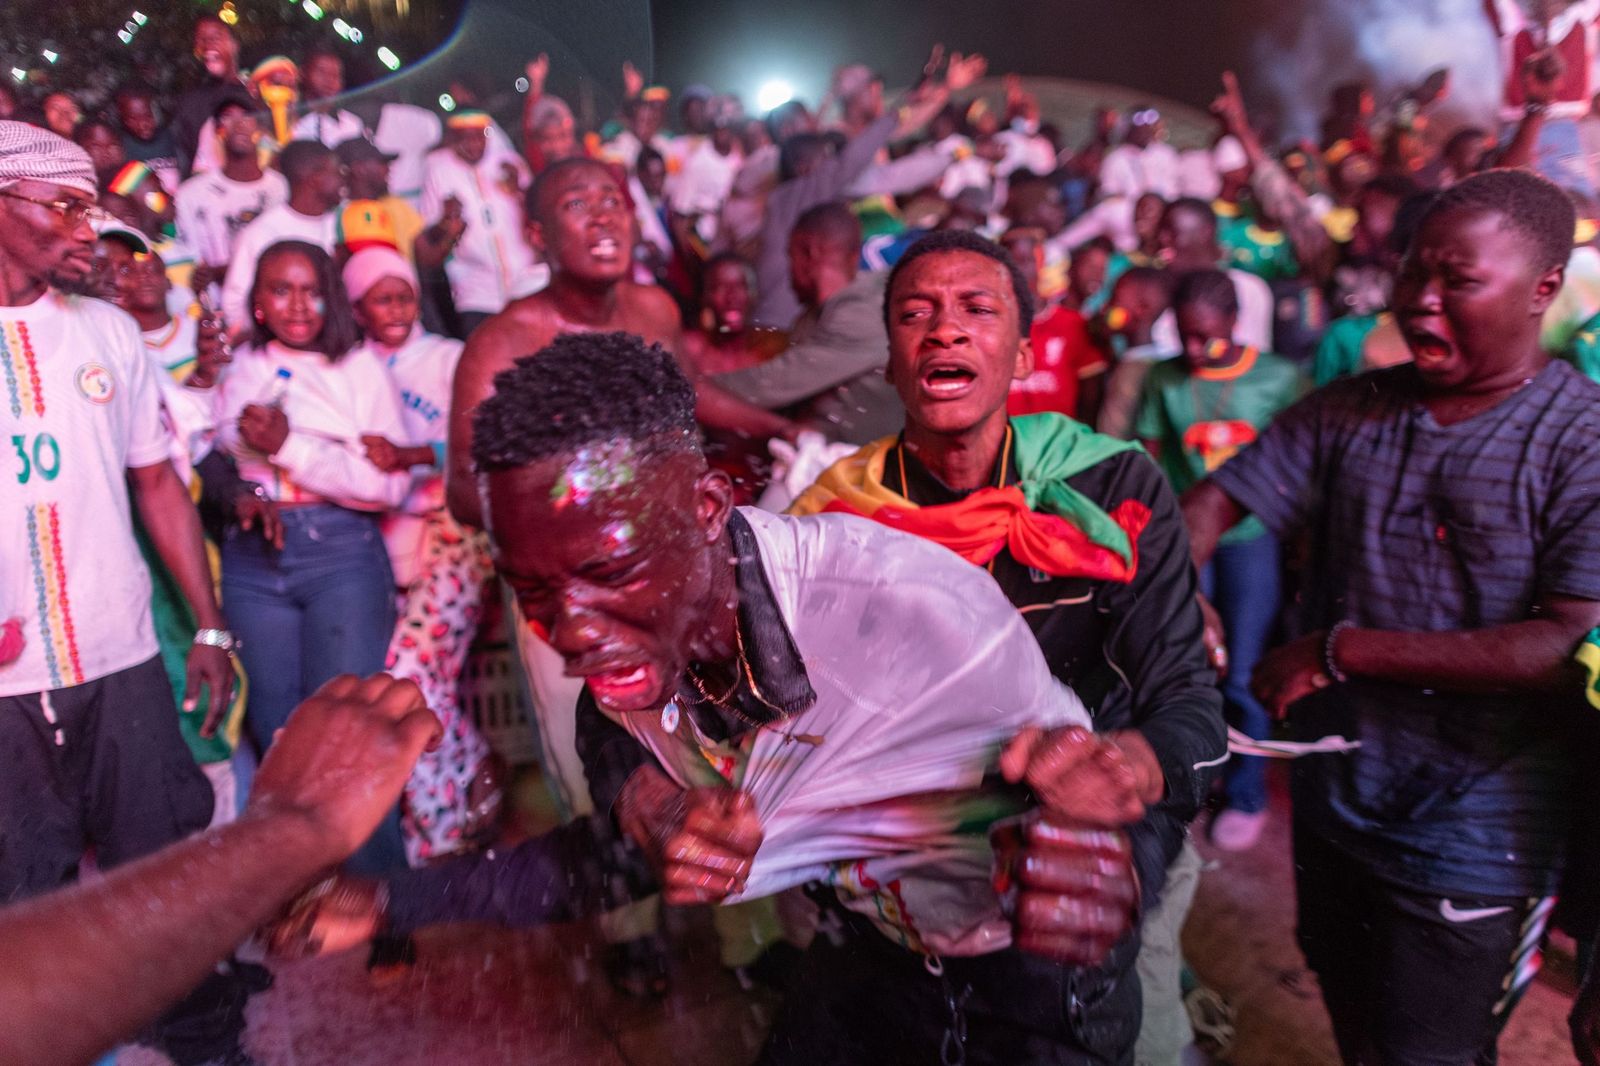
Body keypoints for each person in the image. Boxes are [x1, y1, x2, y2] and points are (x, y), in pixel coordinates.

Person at [273, 330, 1154, 1065]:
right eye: (533, 590)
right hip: (872, 954)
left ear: (706, 507)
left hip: (1029, 1000)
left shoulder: (910, 619)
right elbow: (616, 855)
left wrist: (1104, 862)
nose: (570, 633)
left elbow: (1096, 802)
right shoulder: (631, 666)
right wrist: (388, 903)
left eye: (611, 568)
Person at [1180, 169, 1600, 1065]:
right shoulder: (1354, 407)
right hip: (1341, 795)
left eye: (1459, 280)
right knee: (1357, 1016)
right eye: (1413, 272)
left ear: (1543, 289)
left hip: (1482, 825)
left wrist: (1343, 651)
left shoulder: (1581, 440)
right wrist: (1183, 590)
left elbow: (1566, 640)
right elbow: (1214, 500)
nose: (1421, 299)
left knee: (1430, 1050)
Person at [787, 229, 1225, 1066]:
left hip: (1077, 871)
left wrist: (1117, 779)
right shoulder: (834, 519)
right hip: (901, 890)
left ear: (1023, 356)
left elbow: (1188, 706)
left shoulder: (1111, 486)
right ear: (891, 363)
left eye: (976, 310)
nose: (945, 330)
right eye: (915, 314)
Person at [0, 120, 250, 1062]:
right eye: (65, 208)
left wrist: (211, 630)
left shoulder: (108, 332)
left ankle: (207, 1042)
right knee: (26, 896)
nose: (87, 231)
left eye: (91, 208)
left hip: (123, 657)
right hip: (7, 694)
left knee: (164, 875)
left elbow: (158, 483)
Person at [0, 673, 441, 1066]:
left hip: (115, 656)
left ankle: (197, 1023)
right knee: (36, 863)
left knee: (150, 827)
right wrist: (288, 828)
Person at [216, 239, 412, 874]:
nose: (298, 306)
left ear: (332, 298)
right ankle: (301, 892)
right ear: (258, 302)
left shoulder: (358, 370)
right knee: (278, 733)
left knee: (350, 732)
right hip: (253, 560)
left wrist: (289, 448)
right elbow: (211, 460)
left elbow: (390, 485)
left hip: (340, 555)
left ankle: (382, 898)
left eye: (312, 291)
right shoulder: (240, 368)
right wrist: (239, 490)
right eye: (281, 290)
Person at [1132, 269, 1304, 851]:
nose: (1194, 348)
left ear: (1234, 321)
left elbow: (1301, 464)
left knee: (1245, 665)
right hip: (1188, 537)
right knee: (1188, 662)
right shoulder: (1164, 377)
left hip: (1253, 537)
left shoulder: (1278, 378)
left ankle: (1248, 793)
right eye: (1184, 335)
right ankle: (1191, 783)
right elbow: (1149, 459)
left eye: (1206, 335)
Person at [342, 246, 499, 865]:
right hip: (382, 540)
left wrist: (411, 456)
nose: (397, 309)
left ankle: (439, 832)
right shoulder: (349, 365)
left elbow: (484, 442)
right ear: (357, 308)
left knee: (410, 675)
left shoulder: (449, 358)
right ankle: (474, 769)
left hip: (452, 535)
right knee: (405, 679)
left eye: (404, 296)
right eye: (381, 299)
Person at [751, 51, 987, 328]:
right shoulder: (835, 144)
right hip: (813, 291)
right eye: (872, 89)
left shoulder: (856, 140)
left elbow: (904, 125)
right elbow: (890, 174)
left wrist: (943, 89)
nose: (879, 95)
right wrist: (960, 151)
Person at [714, 201, 902, 445]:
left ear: (810, 253)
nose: (789, 271)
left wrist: (687, 385)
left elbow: (768, 385)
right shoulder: (816, 315)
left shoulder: (859, 314)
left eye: (790, 256)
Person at [420, 109, 544, 336]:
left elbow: (540, 217)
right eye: (464, 138)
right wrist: (446, 220)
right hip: (476, 291)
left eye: (479, 137)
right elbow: (429, 234)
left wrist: (520, 190)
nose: (473, 144)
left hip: (526, 282)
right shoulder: (438, 169)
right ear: (452, 138)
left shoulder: (508, 162)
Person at [219, 138, 343, 335]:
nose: (342, 180)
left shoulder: (342, 222)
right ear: (315, 178)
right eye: (336, 172)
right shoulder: (262, 233)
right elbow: (234, 305)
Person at [175, 88, 288, 298]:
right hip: (218, 308)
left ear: (259, 126)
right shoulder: (191, 194)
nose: (238, 124)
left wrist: (222, 271)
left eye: (246, 115)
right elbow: (193, 266)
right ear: (217, 129)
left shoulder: (281, 188)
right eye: (227, 117)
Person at [1001, 226, 1110, 423]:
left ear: (1041, 263)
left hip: (1059, 437)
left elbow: (1091, 396)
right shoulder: (986, 326)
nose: (1015, 271)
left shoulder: (1073, 324)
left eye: (1024, 261)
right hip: (1005, 437)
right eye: (1008, 263)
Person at [1149, 197, 1273, 353]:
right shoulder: (1158, 293)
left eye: (1172, 232)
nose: (1162, 239)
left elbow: (1248, 357)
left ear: (1205, 232)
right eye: (1160, 232)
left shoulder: (1246, 290)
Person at [336, 136, 433, 264]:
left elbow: (426, 257)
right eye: (382, 163)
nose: (388, 169)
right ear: (360, 169)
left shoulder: (396, 204)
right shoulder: (337, 215)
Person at [170, 14, 246, 175]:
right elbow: (185, 159)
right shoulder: (189, 103)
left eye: (216, 37)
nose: (208, 43)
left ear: (234, 45)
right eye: (201, 39)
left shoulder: (254, 92)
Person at [1099, 106, 1181, 202]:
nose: (1144, 132)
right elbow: (1109, 192)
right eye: (1139, 129)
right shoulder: (1115, 158)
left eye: (1147, 128)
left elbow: (1175, 187)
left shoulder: (1166, 154)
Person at [291, 44, 366, 148]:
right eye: (322, 72)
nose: (330, 80)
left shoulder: (352, 124)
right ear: (302, 73)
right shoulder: (287, 121)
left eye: (336, 75)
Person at [114, 84, 180, 194]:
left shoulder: (173, 137)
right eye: (133, 119)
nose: (143, 124)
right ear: (123, 119)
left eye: (147, 115)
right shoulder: (121, 148)